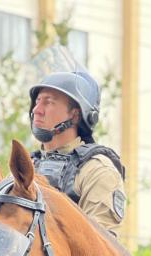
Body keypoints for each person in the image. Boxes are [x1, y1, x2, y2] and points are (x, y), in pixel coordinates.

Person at [28, 70, 127, 237]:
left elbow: (98, 249)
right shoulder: (27, 166)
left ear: (75, 115)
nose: (37, 110)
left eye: (49, 102)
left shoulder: (96, 170)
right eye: (37, 101)